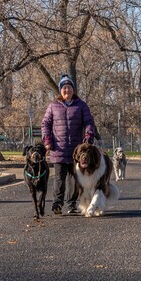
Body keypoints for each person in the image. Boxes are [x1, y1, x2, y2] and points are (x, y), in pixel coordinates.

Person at [42, 74, 96, 215]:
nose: (67, 90)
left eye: (69, 87)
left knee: (74, 178)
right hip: (58, 148)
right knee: (59, 178)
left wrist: (89, 136)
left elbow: (89, 122)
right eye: (64, 88)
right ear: (60, 90)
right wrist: (47, 140)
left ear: (73, 89)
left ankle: (71, 204)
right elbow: (45, 123)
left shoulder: (81, 105)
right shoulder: (53, 105)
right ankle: (57, 203)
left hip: (76, 151)